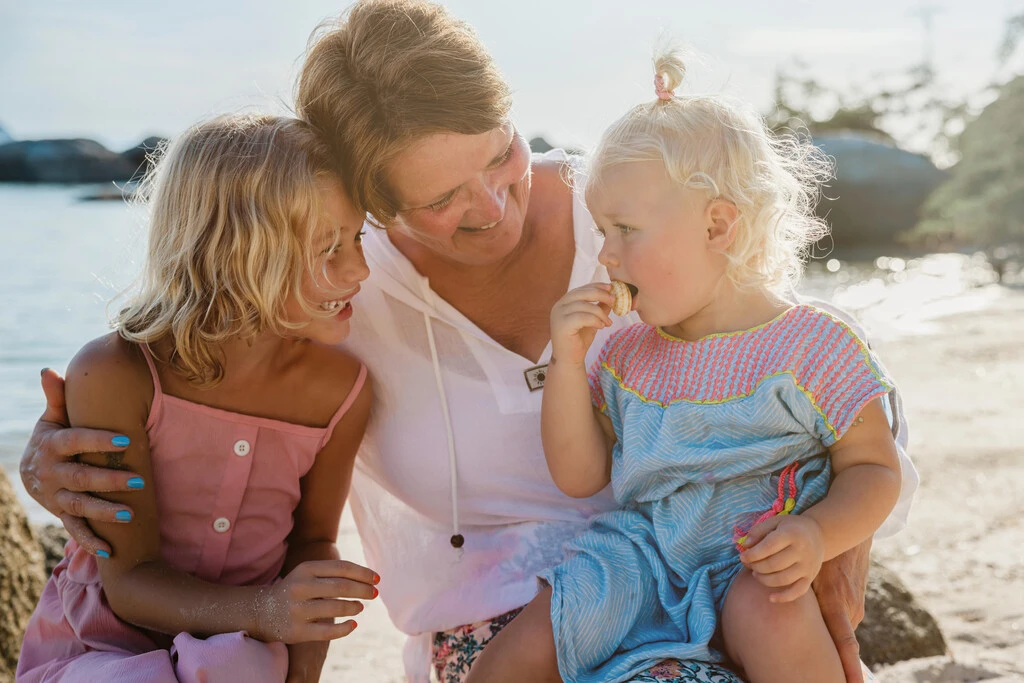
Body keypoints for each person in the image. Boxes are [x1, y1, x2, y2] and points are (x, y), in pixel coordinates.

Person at [19, 2, 918, 682]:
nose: (491, 207)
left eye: (499, 154)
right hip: (497, 627)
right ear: (373, 206)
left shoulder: (631, 218)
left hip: (706, 580)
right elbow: (194, 370)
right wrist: (52, 454)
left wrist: (837, 544)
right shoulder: (339, 288)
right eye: (440, 199)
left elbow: (801, 372)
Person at [464, 51, 902, 683]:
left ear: (718, 225)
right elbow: (579, 475)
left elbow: (873, 468)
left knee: (771, 610)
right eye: (600, 232)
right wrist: (567, 362)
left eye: (624, 230)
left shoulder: (812, 345)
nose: (607, 256)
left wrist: (816, 535)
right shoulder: (624, 354)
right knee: (526, 644)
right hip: (646, 558)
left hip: (761, 557)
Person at [16, 114, 377, 683]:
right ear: (235, 255)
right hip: (99, 649)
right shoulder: (116, 373)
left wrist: (300, 662)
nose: (360, 269)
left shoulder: (343, 390)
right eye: (330, 249)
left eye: (358, 237)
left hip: (242, 648)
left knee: (239, 666)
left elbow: (313, 540)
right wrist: (266, 611)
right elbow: (130, 581)